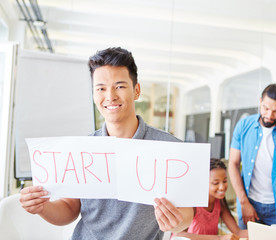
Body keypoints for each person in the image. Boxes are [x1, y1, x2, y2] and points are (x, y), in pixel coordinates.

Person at [19, 47, 193, 240]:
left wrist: (177, 222)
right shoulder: (82, 150)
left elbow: (187, 213)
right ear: (94, 95)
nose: (110, 96)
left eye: (120, 86)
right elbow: (69, 208)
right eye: (101, 88)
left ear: (136, 90)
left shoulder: (170, 148)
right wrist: (42, 207)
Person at [228, 83, 276, 230]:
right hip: (248, 201)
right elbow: (233, 164)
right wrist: (244, 202)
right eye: (266, 108)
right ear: (260, 101)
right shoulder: (243, 126)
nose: (269, 115)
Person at [172, 158, 248, 240]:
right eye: (216, 183)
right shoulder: (194, 205)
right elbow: (178, 235)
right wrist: (219, 238)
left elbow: (238, 232)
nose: (222, 187)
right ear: (203, 183)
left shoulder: (219, 203)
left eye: (225, 181)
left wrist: (261, 232)